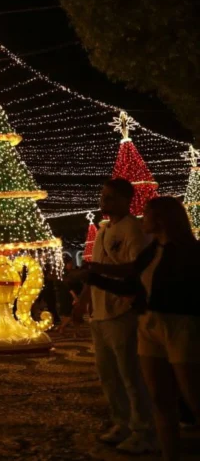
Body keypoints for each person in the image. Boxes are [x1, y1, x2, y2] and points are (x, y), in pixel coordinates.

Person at [84, 196, 200, 461]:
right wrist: (94, 277)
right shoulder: (152, 251)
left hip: (180, 325)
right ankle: (170, 454)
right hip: (149, 325)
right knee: (159, 398)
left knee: (193, 395)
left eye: (146, 213)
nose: (142, 218)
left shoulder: (189, 252)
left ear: (161, 219)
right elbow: (131, 280)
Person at [73, 179, 155, 454]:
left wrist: (96, 273)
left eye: (109, 197)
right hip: (100, 313)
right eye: (103, 196)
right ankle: (121, 422)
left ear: (125, 200)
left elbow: (134, 269)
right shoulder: (103, 230)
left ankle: (143, 430)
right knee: (108, 375)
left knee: (131, 374)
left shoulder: (132, 229)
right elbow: (94, 273)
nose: (103, 202)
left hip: (122, 310)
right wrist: (83, 300)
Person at [57, 261, 83, 337]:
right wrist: (74, 296)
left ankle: (77, 331)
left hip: (74, 294)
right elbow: (69, 287)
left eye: (71, 263)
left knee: (76, 314)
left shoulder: (73, 272)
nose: (71, 265)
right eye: (69, 264)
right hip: (68, 296)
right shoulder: (65, 274)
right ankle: (62, 327)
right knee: (70, 314)